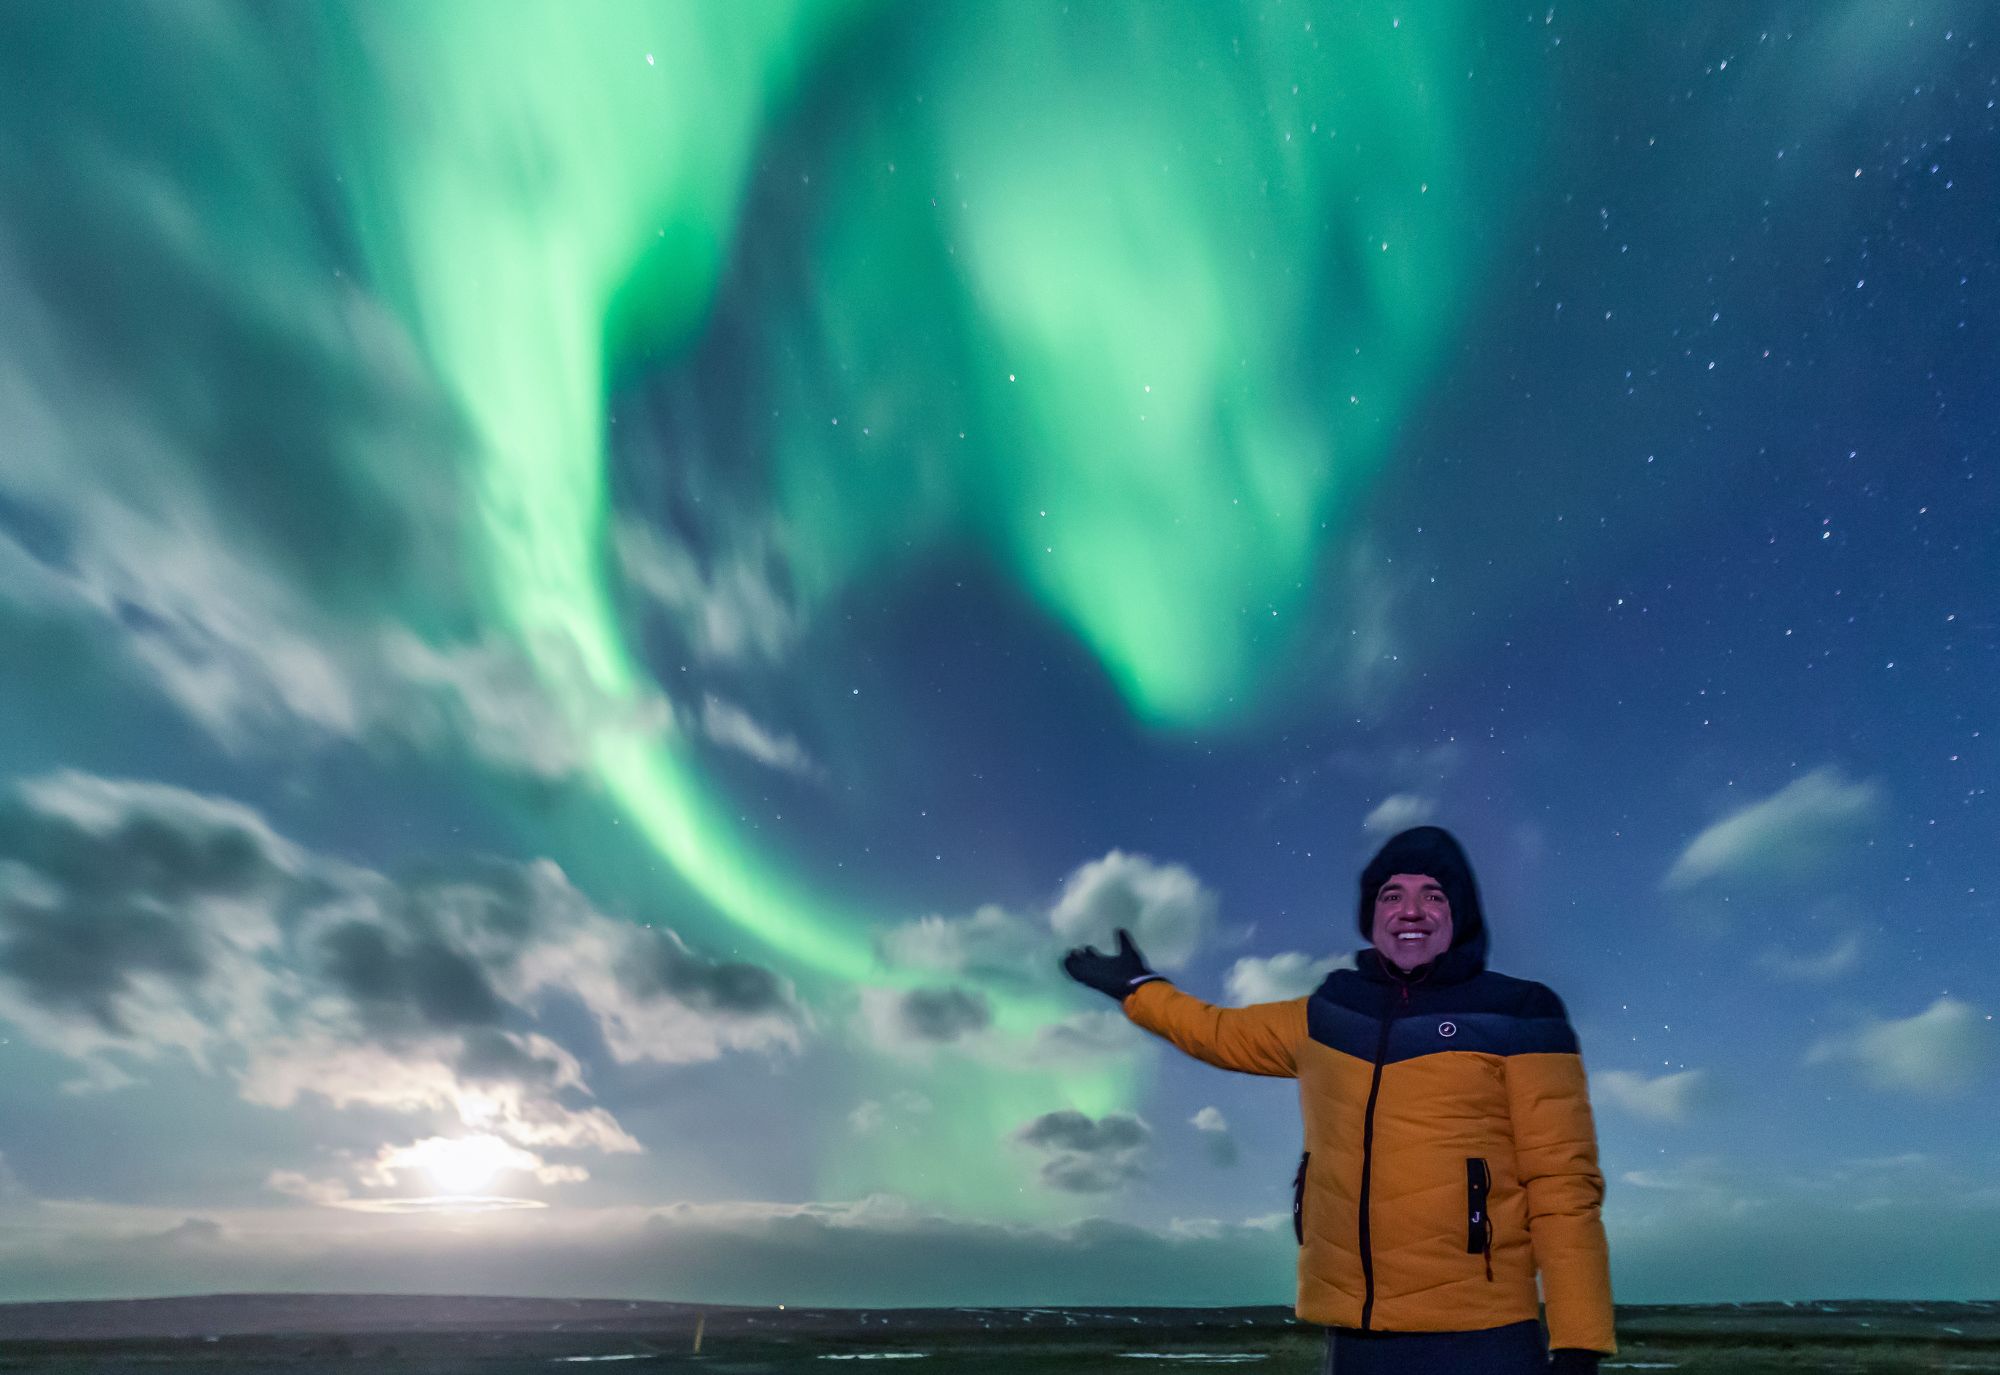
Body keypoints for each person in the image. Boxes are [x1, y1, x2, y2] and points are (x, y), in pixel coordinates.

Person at [1063, 826, 1615, 1375]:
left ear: (1460, 914)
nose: (1411, 910)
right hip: (1357, 1335)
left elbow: (1562, 1185)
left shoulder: (1520, 1012)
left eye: (1434, 895)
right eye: (1392, 895)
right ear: (1372, 916)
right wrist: (1140, 986)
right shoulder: (1329, 1013)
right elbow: (1217, 1031)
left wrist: (1578, 1344)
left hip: (1484, 1337)